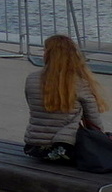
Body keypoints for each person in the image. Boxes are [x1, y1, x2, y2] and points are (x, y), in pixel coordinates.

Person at [24, 34, 112, 171]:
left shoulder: (31, 79)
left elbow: (33, 107)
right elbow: (94, 122)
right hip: (65, 150)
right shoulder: (79, 83)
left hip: (34, 147)